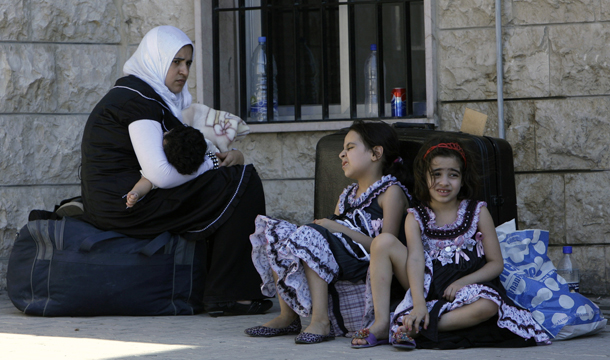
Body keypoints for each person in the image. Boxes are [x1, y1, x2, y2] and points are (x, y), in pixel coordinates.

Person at [80, 25, 271, 316]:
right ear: (156, 60)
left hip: (131, 198)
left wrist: (227, 156)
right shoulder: (136, 100)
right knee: (242, 181)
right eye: (175, 62)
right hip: (126, 204)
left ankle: (223, 289)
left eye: (188, 63)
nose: (183, 71)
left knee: (234, 178)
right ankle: (229, 294)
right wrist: (216, 164)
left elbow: (182, 156)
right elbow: (159, 172)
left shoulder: (148, 96)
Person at [245, 120, 411, 344]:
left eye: (350, 148)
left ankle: (321, 321)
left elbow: (384, 245)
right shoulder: (347, 195)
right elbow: (329, 237)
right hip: (341, 258)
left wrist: (335, 227)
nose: (342, 154)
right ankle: (287, 316)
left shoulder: (391, 191)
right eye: (343, 149)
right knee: (276, 231)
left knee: (312, 234)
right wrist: (328, 229)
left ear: (376, 153)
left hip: (365, 260)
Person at [386, 136, 550, 349]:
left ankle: (421, 328)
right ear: (424, 177)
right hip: (434, 291)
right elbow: (415, 260)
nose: (444, 182)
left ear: (462, 179)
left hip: (471, 289)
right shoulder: (415, 217)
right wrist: (418, 304)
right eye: (436, 174)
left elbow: (495, 264)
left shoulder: (478, 212)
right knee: (419, 309)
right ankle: (420, 319)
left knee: (489, 306)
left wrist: (464, 282)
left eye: (452, 175)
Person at [125, 125, 209, 208]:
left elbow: (147, 180)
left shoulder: (164, 169)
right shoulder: (199, 149)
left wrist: (136, 192)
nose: (164, 133)